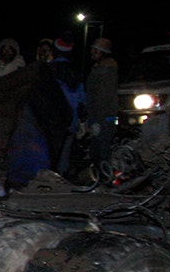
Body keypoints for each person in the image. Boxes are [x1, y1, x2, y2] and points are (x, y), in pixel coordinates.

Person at [49, 31, 86, 175]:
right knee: (65, 152)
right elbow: (82, 99)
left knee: (49, 151)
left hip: (51, 120)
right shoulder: (76, 73)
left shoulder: (48, 70)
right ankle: (60, 178)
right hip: (70, 120)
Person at [84, 36, 119, 182]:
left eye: (96, 50)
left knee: (103, 153)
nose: (92, 52)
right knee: (96, 153)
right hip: (97, 118)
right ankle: (101, 181)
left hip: (105, 119)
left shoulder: (106, 70)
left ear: (104, 52)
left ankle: (108, 182)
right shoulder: (98, 69)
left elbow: (105, 98)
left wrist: (100, 120)